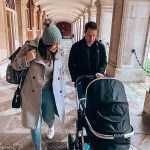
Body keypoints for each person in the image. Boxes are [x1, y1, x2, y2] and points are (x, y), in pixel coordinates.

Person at [12, 23, 66, 150]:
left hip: (49, 91)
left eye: (58, 43)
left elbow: (61, 73)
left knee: (49, 117)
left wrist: (63, 92)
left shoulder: (58, 51)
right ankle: (38, 148)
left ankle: (51, 126)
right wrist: (26, 58)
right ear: (47, 44)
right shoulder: (29, 47)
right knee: (35, 124)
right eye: (55, 44)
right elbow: (14, 65)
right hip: (31, 92)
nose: (57, 46)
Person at [68, 21, 107, 98]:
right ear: (84, 32)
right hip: (81, 81)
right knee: (82, 103)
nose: (91, 38)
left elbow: (104, 62)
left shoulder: (101, 47)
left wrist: (100, 72)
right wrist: (76, 78)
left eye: (94, 35)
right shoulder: (76, 47)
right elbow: (71, 64)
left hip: (96, 80)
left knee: (95, 103)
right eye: (89, 35)